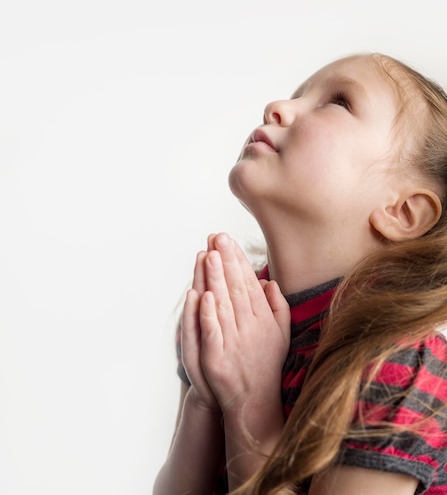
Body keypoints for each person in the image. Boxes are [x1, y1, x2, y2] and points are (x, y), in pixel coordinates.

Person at [153, 52, 447, 495]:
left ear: (402, 212)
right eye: (297, 94)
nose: (278, 106)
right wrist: (205, 399)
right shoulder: (229, 319)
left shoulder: (398, 363)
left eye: (339, 101)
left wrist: (248, 401)